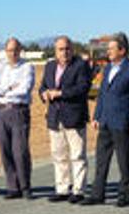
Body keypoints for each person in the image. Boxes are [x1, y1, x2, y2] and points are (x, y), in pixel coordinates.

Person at [83, 34, 129, 207]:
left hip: (122, 122)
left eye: (111, 48)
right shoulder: (108, 68)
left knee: (124, 161)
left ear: (122, 50)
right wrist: (96, 116)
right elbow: (102, 94)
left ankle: (125, 195)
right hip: (106, 122)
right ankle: (97, 194)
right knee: (101, 160)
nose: (108, 51)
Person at [39, 36, 92, 203]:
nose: (64, 52)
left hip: (74, 117)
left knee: (77, 155)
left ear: (72, 49)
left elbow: (83, 87)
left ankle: (78, 190)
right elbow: (43, 86)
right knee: (59, 155)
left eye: (67, 48)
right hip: (55, 117)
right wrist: (44, 93)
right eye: (61, 49)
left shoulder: (80, 66)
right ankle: (62, 189)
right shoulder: (50, 66)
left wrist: (60, 93)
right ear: (55, 51)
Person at [0, 38, 35, 199]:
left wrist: (2, 92)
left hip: (19, 111)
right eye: (9, 50)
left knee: (20, 151)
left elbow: (24, 89)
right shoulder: (0, 67)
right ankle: (12, 187)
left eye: (15, 50)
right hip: (1, 112)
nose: (12, 53)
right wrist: (8, 87)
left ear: (20, 50)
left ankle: (25, 186)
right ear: (5, 51)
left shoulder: (27, 67)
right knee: (5, 150)